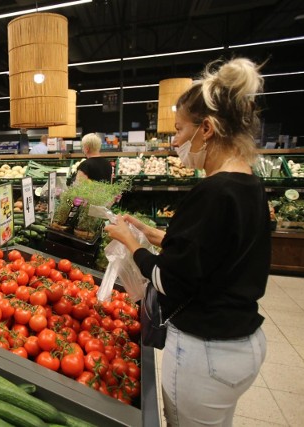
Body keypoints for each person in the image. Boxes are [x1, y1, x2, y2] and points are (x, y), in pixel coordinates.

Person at [105, 58, 269, 427]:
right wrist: (157, 234)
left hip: (207, 351)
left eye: (179, 131)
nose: (174, 142)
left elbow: (169, 280)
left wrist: (133, 245)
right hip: (244, 341)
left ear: (207, 129)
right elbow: (221, 254)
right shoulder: (250, 185)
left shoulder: (212, 191)